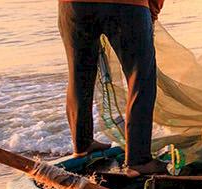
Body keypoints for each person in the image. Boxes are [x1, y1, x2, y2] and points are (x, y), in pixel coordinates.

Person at [60, 0, 166, 176]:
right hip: (127, 6)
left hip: (73, 6)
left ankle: (82, 145)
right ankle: (138, 160)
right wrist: (153, 10)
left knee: (79, 74)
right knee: (140, 77)